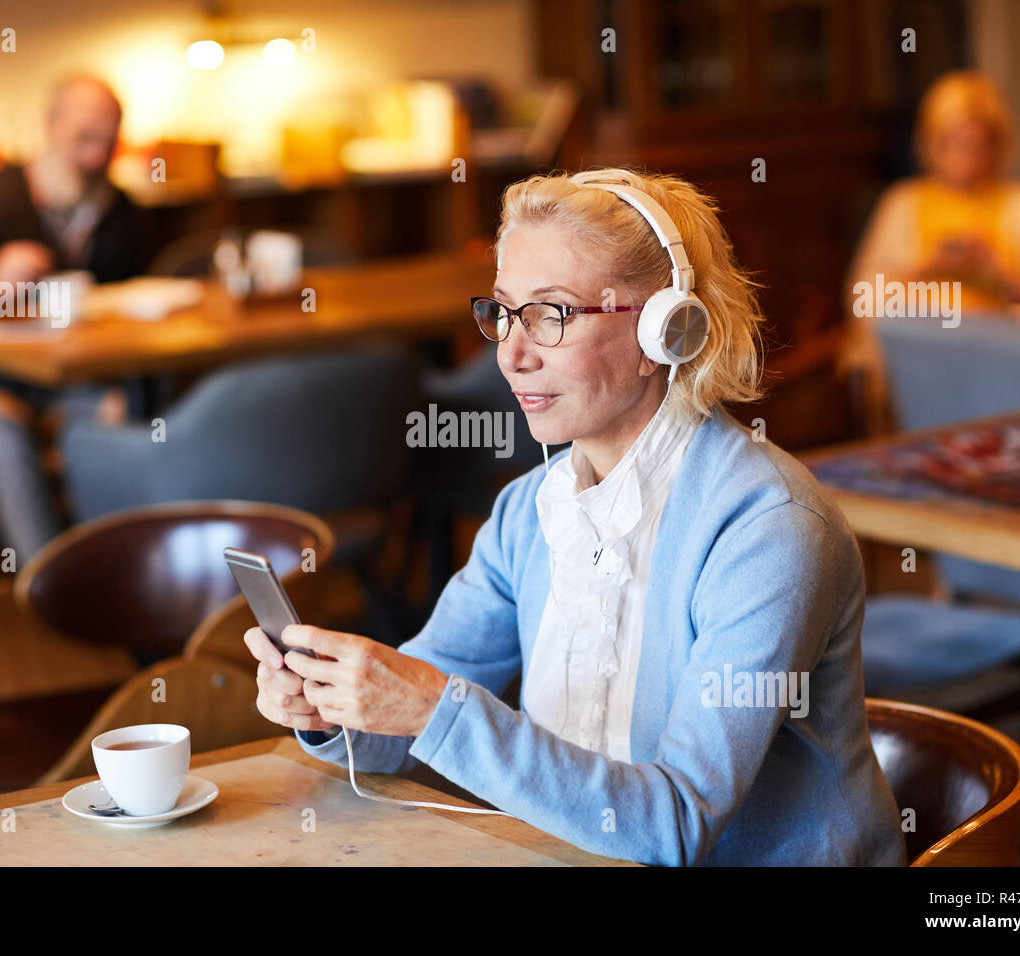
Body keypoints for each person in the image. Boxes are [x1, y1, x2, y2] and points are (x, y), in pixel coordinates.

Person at [243, 167, 907, 866]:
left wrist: (437, 709)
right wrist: (330, 707)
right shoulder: (528, 514)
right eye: (502, 312)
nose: (512, 353)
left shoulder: (768, 530)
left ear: (665, 330)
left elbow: (674, 825)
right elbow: (405, 727)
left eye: (551, 314)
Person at [0, 73, 154, 563]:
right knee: (1, 431)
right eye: (84, 140)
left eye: (108, 145)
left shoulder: (120, 209)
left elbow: (137, 290)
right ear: (49, 128)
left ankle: (122, 570)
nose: (95, 159)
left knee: (125, 411)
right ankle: (48, 581)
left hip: (75, 379)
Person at [842, 69, 1020, 433]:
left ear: (998, 145)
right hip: (927, 377)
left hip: (1009, 376)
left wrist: (1005, 275)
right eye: (953, 144)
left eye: (978, 145)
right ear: (930, 144)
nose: (967, 159)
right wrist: (929, 267)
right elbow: (862, 301)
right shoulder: (903, 204)